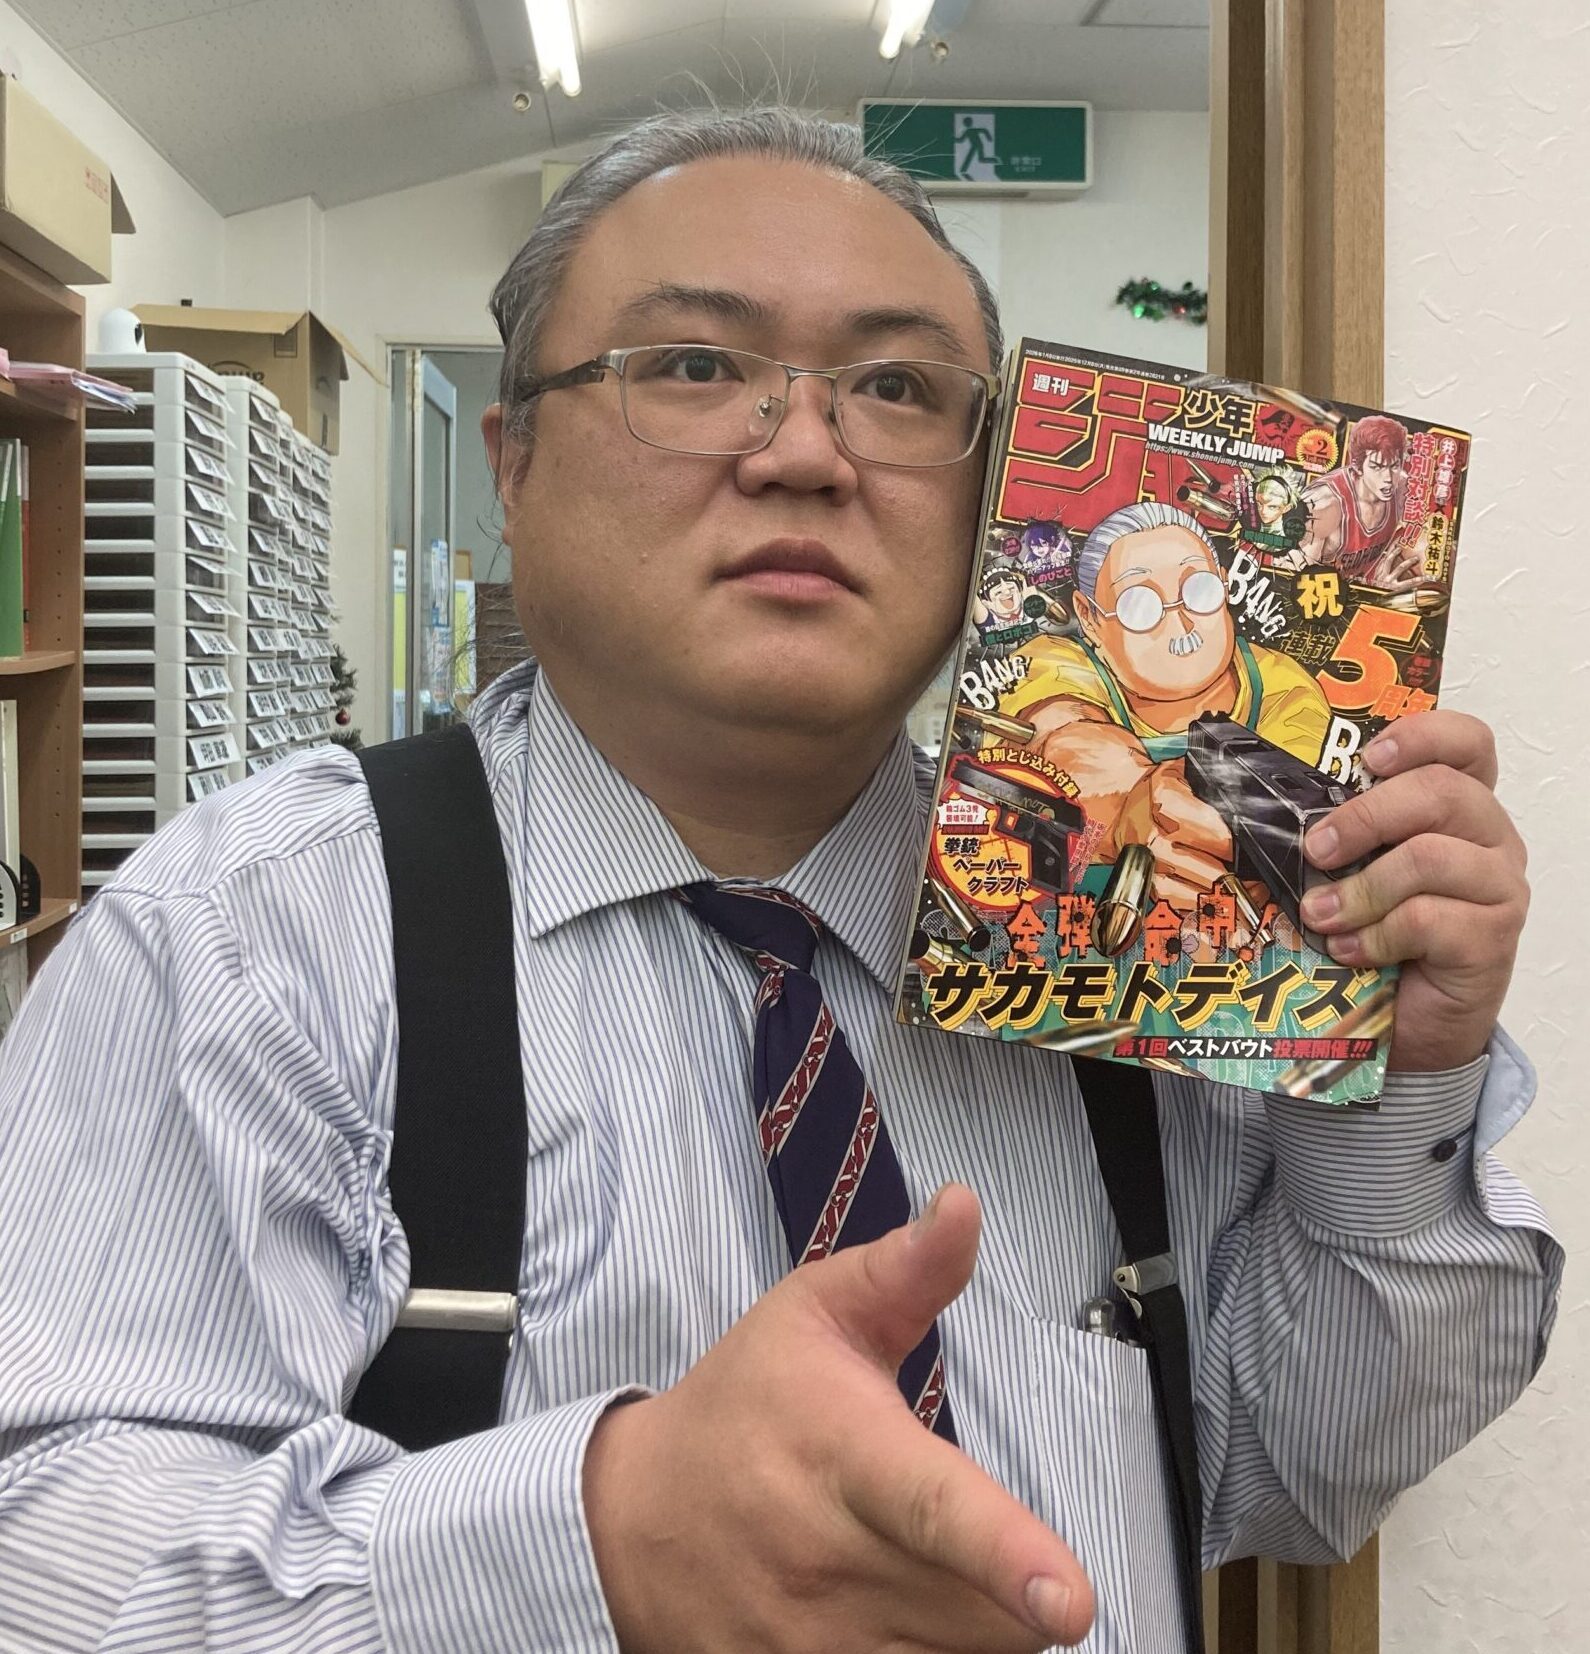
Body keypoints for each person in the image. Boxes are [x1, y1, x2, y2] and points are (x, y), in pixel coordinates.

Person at [0, 108, 1556, 1654]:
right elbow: (42, 1560)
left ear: (989, 498)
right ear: (513, 461)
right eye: (692, 365)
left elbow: (1299, 1464)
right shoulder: (251, 938)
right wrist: (590, 1542)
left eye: (895, 389)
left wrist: (1402, 1067)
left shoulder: (1133, 930)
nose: (806, 452)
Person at [1002, 502, 1331, 910]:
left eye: (1199, 591)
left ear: (1224, 584)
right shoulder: (1052, 663)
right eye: (1139, 606)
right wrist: (1133, 807)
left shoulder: (1285, 688)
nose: (1181, 624)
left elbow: (1292, 810)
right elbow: (1062, 739)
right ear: (1088, 617)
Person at [1285, 413, 1421, 586]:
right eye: (1377, 467)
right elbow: (1291, 583)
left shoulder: (1402, 487)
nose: (1387, 477)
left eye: (1394, 466)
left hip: (1362, 586)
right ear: (1357, 466)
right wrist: (1377, 594)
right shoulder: (1324, 505)